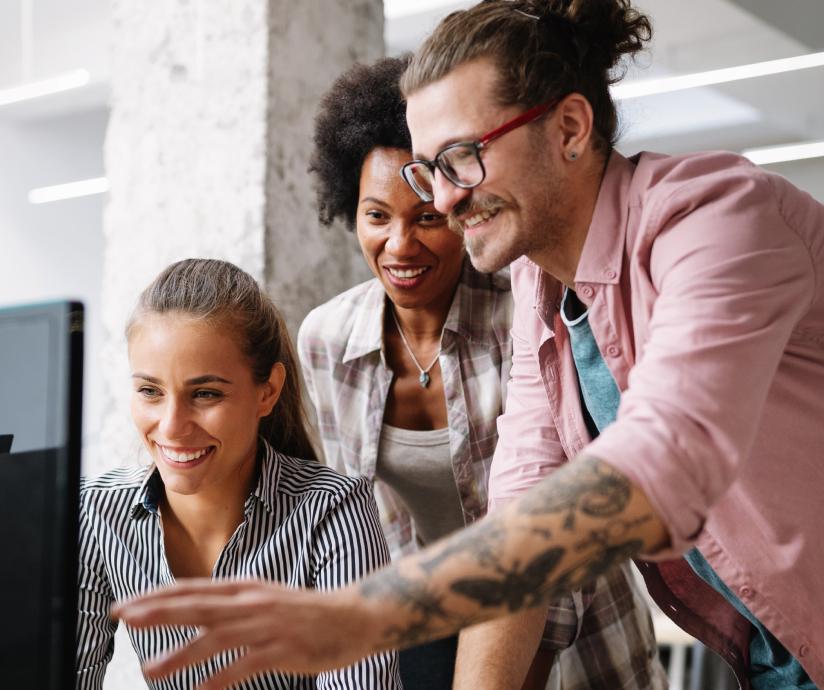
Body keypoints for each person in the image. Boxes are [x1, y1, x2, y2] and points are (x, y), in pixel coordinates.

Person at [112, 2, 824, 689]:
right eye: (430, 169)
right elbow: (518, 524)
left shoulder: (719, 219)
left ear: (570, 129)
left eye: (460, 158)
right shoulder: (543, 295)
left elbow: (665, 463)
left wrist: (368, 611)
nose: (445, 201)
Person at [300, 54, 663, 690]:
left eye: (427, 218)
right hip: (422, 651)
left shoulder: (528, 311)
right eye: (376, 216)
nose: (400, 245)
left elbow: (558, 527)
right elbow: (347, 533)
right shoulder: (328, 342)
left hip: (578, 646)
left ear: (459, 205)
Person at [77, 258, 400, 689]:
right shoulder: (96, 512)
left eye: (205, 393)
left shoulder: (333, 510)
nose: (171, 426)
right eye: (150, 391)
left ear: (267, 391)